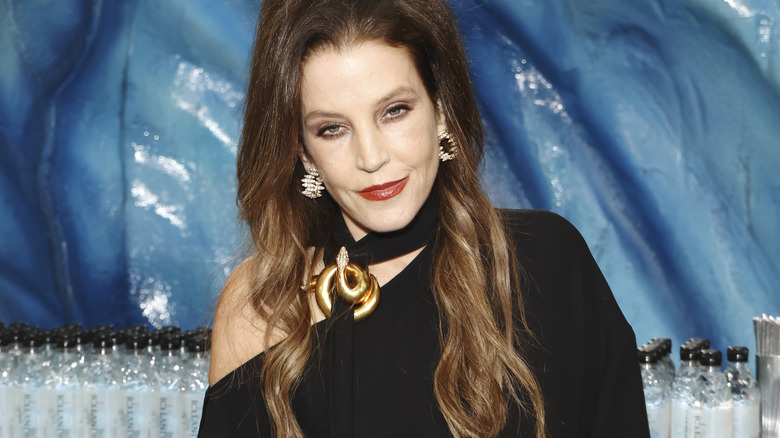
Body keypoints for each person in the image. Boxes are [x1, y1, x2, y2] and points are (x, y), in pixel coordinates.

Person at [199, 0, 650, 436]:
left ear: (440, 108)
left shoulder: (545, 261)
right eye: (332, 129)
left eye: (394, 111)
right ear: (303, 151)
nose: (371, 157)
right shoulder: (260, 303)